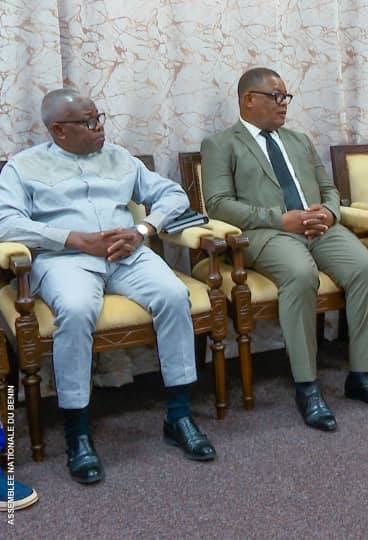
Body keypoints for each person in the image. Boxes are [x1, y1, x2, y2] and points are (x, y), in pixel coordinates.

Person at [0, 89, 216, 485]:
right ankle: (77, 432)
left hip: (127, 252)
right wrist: (74, 238)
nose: (99, 127)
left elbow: (173, 195)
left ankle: (179, 415)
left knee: (172, 295)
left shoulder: (120, 157)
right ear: (59, 131)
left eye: (99, 117)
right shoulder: (23, 167)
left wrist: (142, 229)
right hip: (67, 259)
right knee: (78, 310)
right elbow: (6, 223)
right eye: (89, 122)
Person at [201, 67, 368, 431]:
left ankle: (360, 376)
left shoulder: (298, 140)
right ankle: (307, 385)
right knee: (300, 274)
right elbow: (217, 204)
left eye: (286, 97)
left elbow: (329, 190)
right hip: (267, 232)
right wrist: (280, 219)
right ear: (249, 100)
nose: (284, 105)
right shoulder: (221, 144)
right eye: (276, 97)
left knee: (364, 268)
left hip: (319, 227)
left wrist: (327, 211)